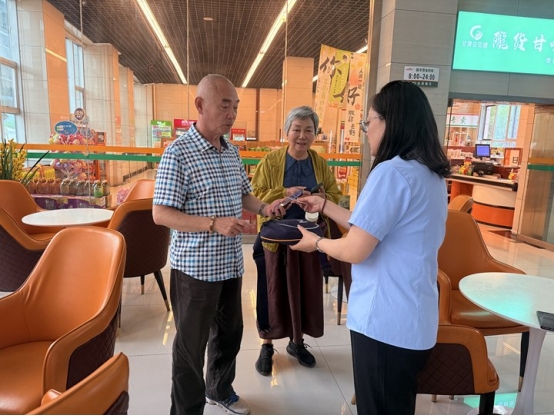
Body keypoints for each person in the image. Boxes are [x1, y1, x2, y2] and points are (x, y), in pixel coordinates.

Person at [291, 81, 450, 414]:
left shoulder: (391, 172)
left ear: (390, 122)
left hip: (384, 323)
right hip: (414, 321)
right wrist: (324, 205)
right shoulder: (429, 174)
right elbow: (369, 226)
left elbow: (356, 249)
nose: (366, 132)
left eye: (369, 122)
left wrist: (316, 242)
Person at [152, 74, 286, 415]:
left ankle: (219, 389)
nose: (232, 114)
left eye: (235, 107)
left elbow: (243, 194)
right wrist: (213, 223)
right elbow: (161, 213)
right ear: (200, 105)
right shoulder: (178, 153)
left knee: (229, 334)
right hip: (195, 270)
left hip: (230, 265)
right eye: (225, 105)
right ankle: (187, 411)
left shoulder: (231, 152)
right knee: (190, 348)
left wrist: (265, 208)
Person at [250, 105, 341, 376]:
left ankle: (297, 342)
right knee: (272, 290)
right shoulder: (271, 161)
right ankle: (267, 344)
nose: (302, 136)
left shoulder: (319, 163)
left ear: (315, 134)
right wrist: (283, 193)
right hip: (275, 238)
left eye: (308, 130)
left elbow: (335, 195)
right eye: (297, 129)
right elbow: (256, 193)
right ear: (287, 131)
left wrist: (322, 199)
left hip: (310, 239)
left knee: (304, 290)